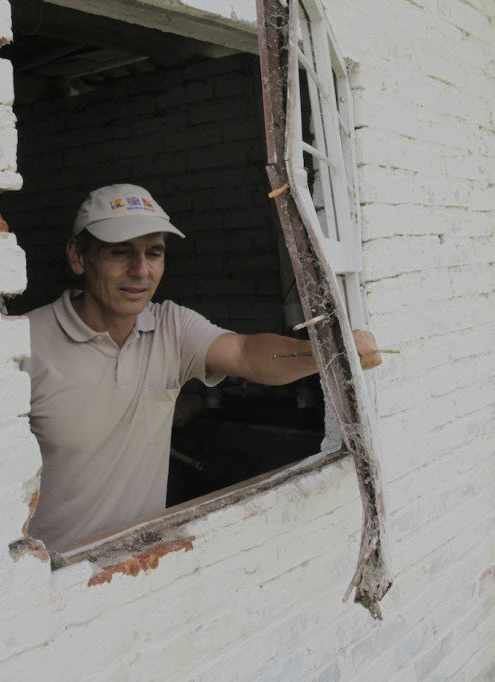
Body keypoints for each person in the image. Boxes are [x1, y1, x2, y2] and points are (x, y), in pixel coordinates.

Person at [21, 184, 382, 550]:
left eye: (154, 252)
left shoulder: (171, 327)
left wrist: (328, 352)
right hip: (52, 578)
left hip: (139, 567)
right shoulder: (24, 344)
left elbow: (246, 353)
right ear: (78, 256)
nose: (141, 270)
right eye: (120, 252)